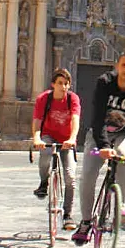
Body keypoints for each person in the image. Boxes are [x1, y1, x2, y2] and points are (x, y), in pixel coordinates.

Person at [72, 53, 125, 244]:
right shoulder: (104, 82)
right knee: (88, 174)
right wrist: (104, 146)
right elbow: (97, 117)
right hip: (100, 133)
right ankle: (86, 221)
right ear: (117, 66)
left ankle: (121, 206)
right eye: (124, 65)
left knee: (123, 155)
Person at [32, 68, 81, 231]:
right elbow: (38, 121)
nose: (63, 87)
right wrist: (37, 138)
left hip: (66, 139)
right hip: (48, 135)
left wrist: (72, 138)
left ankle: (68, 215)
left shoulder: (73, 99)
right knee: (45, 155)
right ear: (53, 84)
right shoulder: (43, 99)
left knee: (70, 177)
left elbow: (75, 119)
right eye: (60, 83)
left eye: (66, 84)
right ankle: (44, 182)